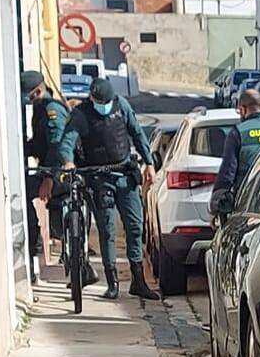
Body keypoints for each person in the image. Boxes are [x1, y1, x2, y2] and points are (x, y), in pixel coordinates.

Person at [58, 77, 159, 301]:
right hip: (100, 178)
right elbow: (68, 139)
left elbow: (137, 133)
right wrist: (68, 161)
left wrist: (149, 162)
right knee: (107, 230)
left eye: (106, 101)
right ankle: (112, 283)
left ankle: (138, 281)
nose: (103, 105)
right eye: (98, 101)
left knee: (135, 226)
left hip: (125, 173)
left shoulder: (121, 106)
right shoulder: (82, 114)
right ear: (92, 98)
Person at [20, 70, 69, 266]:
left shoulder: (52, 112)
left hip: (60, 172)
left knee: (22, 191)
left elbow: (57, 147)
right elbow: (41, 144)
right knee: (21, 189)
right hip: (49, 169)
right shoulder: (41, 109)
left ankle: (35, 243)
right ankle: (34, 241)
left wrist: (49, 178)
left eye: (29, 95)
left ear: (38, 91)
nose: (27, 99)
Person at [210, 89, 260, 214]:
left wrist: (217, 204)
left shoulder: (238, 133)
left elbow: (227, 174)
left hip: (247, 202)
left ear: (243, 109)